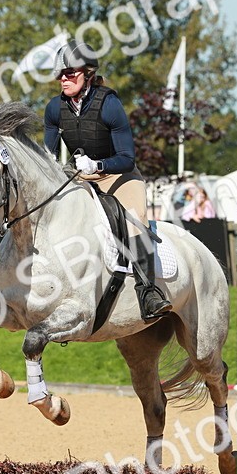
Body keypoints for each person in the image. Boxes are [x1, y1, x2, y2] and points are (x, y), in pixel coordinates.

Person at [42, 41, 171, 320]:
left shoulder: (109, 105)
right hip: (80, 176)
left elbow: (127, 158)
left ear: (88, 74)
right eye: (61, 74)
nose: (63, 79)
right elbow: (47, 156)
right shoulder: (54, 108)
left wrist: (97, 164)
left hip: (118, 175)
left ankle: (148, 292)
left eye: (70, 73)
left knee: (134, 218)